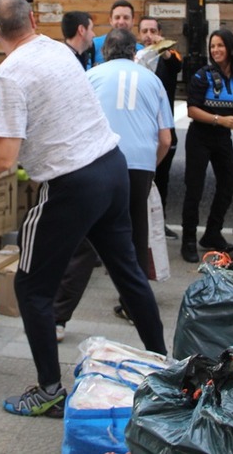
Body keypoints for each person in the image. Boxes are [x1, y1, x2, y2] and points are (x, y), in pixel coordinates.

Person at [0, 0, 167, 418]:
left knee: (30, 287)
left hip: (72, 185)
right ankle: (164, 365)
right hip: (111, 168)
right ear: (32, 18)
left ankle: (49, 389)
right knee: (128, 274)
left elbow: (3, 157)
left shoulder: (12, 74)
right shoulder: (57, 51)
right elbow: (37, 95)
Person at [52, 29, 173, 335]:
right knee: (134, 240)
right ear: (135, 52)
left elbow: (72, 125)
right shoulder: (153, 80)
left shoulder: (91, 76)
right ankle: (136, 310)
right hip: (140, 166)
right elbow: (165, 139)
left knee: (85, 240)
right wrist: (150, 166)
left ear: (104, 51)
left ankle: (58, 318)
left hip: (99, 163)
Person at [181, 28, 233, 262]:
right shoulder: (202, 76)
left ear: (231, 48)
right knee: (194, 188)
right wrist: (219, 120)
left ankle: (213, 233)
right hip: (200, 137)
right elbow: (191, 109)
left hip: (222, 139)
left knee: (228, 182)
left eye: (220, 45)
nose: (216, 50)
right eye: (212, 46)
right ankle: (189, 240)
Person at [138, 15, 181, 239]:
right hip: (141, 131)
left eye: (152, 31)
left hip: (164, 129)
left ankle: (159, 223)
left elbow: (176, 65)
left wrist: (163, 49)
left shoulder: (169, 56)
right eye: (144, 31)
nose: (148, 36)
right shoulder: (136, 58)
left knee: (162, 179)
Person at [92, 0, 141, 66]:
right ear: (110, 21)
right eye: (117, 17)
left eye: (126, 18)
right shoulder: (94, 44)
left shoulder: (141, 50)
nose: (121, 22)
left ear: (133, 21)